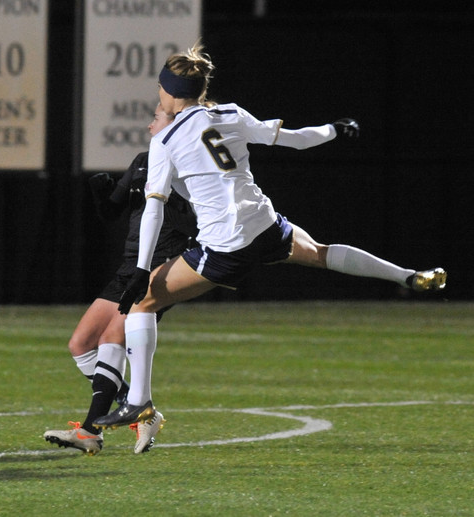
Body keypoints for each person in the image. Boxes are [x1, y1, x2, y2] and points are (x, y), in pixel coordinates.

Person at [92, 42, 447, 454]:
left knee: (143, 303)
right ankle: (406, 275)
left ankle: (139, 401)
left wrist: (139, 269)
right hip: (263, 223)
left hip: (226, 242)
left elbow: (154, 209)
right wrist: (335, 128)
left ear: (168, 91)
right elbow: (295, 140)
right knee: (320, 251)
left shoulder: (166, 138)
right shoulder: (229, 113)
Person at [43, 105, 197, 455]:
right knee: (80, 343)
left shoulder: (189, 167)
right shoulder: (144, 160)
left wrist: (169, 196)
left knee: (113, 335)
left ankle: (90, 432)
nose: (149, 124)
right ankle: (142, 410)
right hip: (131, 265)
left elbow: (196, 225)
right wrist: (104, 191)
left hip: (163, 268)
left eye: (156, 118)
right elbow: (113, 211)